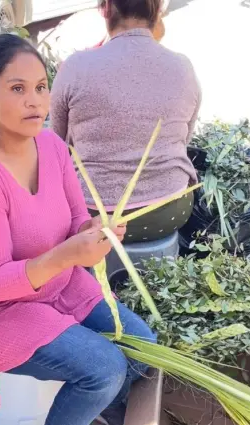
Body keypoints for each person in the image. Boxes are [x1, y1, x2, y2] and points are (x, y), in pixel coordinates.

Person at [0, 34, 156, 425]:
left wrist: (93, 231)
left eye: (40, 87)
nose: (35, 101)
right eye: (17, 89)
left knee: (143, 350)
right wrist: (68, 255)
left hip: (62, 286)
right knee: (104, 370)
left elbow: (73, 221)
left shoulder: (51, 145)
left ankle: (85, 410)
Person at [50, 0, 201, 243]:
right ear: (158, 10)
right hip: (170, 210)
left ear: (106, 8)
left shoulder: (75, 67)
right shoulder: (183, 67)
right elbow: (185, 138)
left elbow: (56, 145)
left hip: (91, 216)